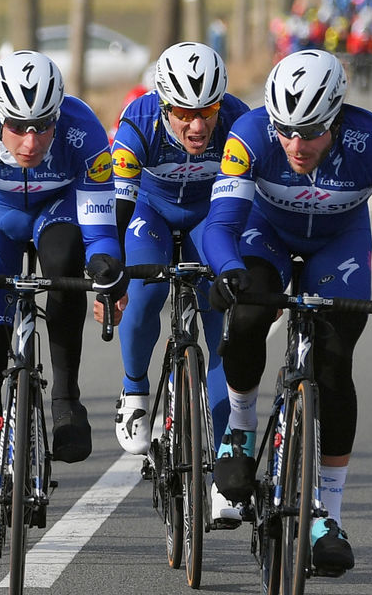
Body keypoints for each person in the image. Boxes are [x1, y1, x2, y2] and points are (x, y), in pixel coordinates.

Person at [204, 49, 372, 575]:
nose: (295, 145)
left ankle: (328, 515)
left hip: (338, 243)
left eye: (310, 133)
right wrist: (228, 269)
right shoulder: (250, 134)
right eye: (285, 131)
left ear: (336, 118)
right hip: (266, 233)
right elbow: (221, 225)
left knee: (333, 367)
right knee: (248, 316)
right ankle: (240, 426)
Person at [0, 50, 128, 580]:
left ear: (58, 116)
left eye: (42, 127)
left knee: (66, 261)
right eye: (17, 127)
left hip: (56, 215)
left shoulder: (83, 130)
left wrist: (106, 260)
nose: (31, 142)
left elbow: (101, 230)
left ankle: (65, 399)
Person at [106, 42, 250, 528]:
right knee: (144, 292)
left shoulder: (239, 121)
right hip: (149, 212)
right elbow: (119, 208)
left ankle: (223, 470)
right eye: (184, 113)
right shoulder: (139, 121)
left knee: (223, 324)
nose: (197, 126)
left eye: (207, 111)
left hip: (211, 216)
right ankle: (134, 391)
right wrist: (111, 277)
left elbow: (257, 205)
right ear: (164, 105)